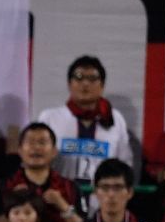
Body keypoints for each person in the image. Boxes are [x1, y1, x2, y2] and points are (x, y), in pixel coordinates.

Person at [38, 54, 133, 184]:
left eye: (92, 78)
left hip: (102, 200)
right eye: (79, 77)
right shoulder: (49, 118)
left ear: (102, 86)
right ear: (69, 84)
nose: (85, 83)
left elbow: (124, 164)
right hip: (57, 198)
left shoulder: (115, 119)